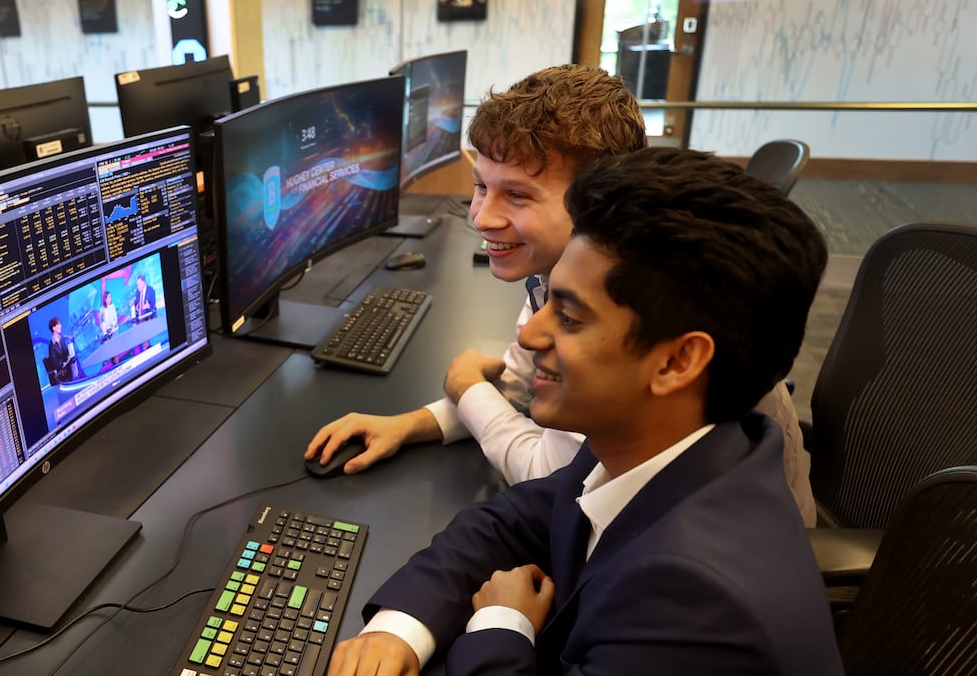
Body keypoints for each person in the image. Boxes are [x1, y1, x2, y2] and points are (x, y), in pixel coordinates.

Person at [329, 148, 840, 676]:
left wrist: (501, 624)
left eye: (569, 317)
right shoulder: (670, 442)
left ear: (677, 361)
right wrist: (400, 626)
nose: (530, 333)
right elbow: (511, 520)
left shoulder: (698, 604)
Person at [305, 64, 816, 527]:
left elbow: (550, 476)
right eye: (482, 185)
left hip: (718, 550)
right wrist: (416, 424)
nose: (481, 217)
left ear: (597, 198)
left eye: (519, 195)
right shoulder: (567, 274)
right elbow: (524, 384)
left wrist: (466, 387)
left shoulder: (629, 302)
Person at [45, 316, 75, 383]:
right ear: (54, 328)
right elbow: (56, 364)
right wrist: (67, 360)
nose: (61, 325)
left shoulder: (62, 339)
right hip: (63, 375)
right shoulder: (51, 346)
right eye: (58, 324)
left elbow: (66, 353)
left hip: (69, 368)